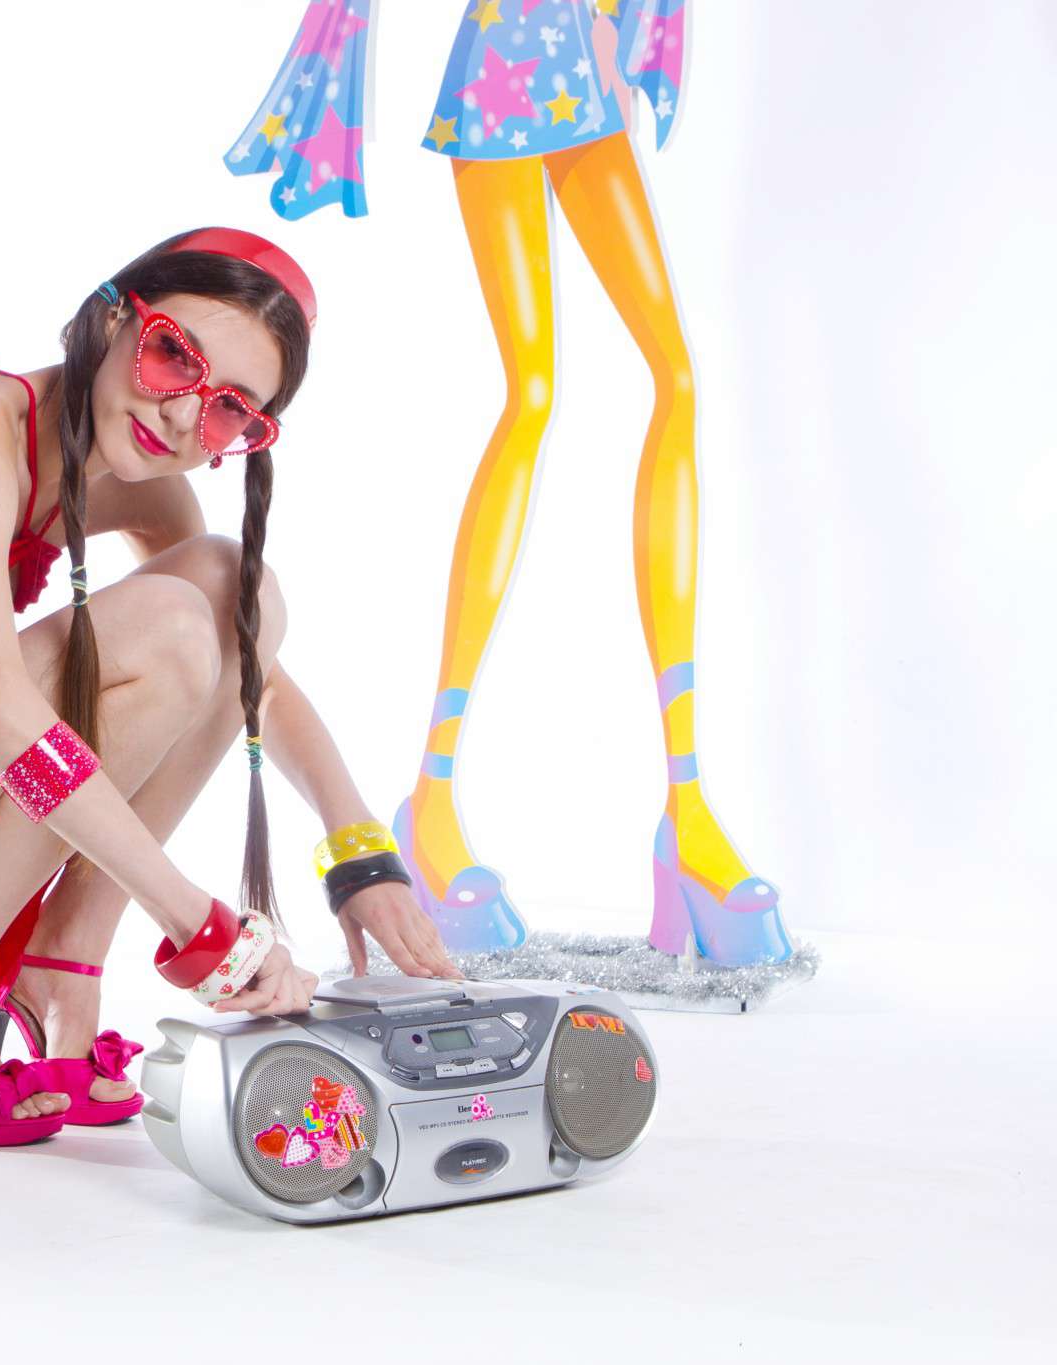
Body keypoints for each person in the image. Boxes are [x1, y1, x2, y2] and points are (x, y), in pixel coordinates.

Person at [0, 228, 460, 1149]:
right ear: (111, 318)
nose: (184, 415)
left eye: (230, 409)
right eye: (173, 356)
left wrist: (360, 855)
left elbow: (244, 674)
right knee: (175, 627)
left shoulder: (134, 479)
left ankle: (60, 963)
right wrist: (193, 919)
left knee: (238, 590)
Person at [229, 0, 792, 965]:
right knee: (533, 393)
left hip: (585, 75)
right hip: (502, 80)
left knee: (675, 378)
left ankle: (688, 807)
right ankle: (433, 802)